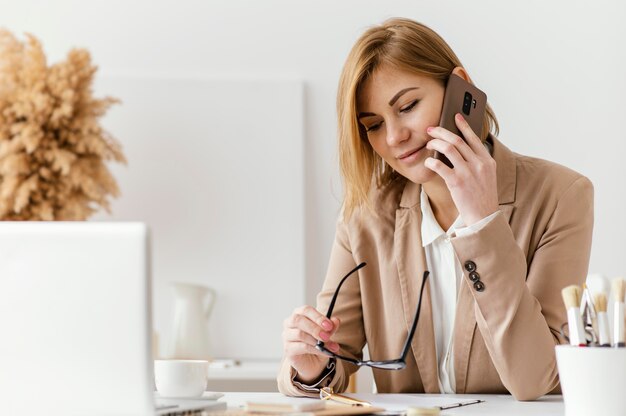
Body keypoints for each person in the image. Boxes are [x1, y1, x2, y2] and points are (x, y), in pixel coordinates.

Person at [277, 17, 593, 401]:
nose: (394, 137)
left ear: (460, 88)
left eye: (407, 106)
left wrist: (483, 225)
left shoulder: (561, 196)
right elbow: (334, 354)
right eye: (373, 125)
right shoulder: (364, 216)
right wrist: (311, 368)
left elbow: (533, 379)